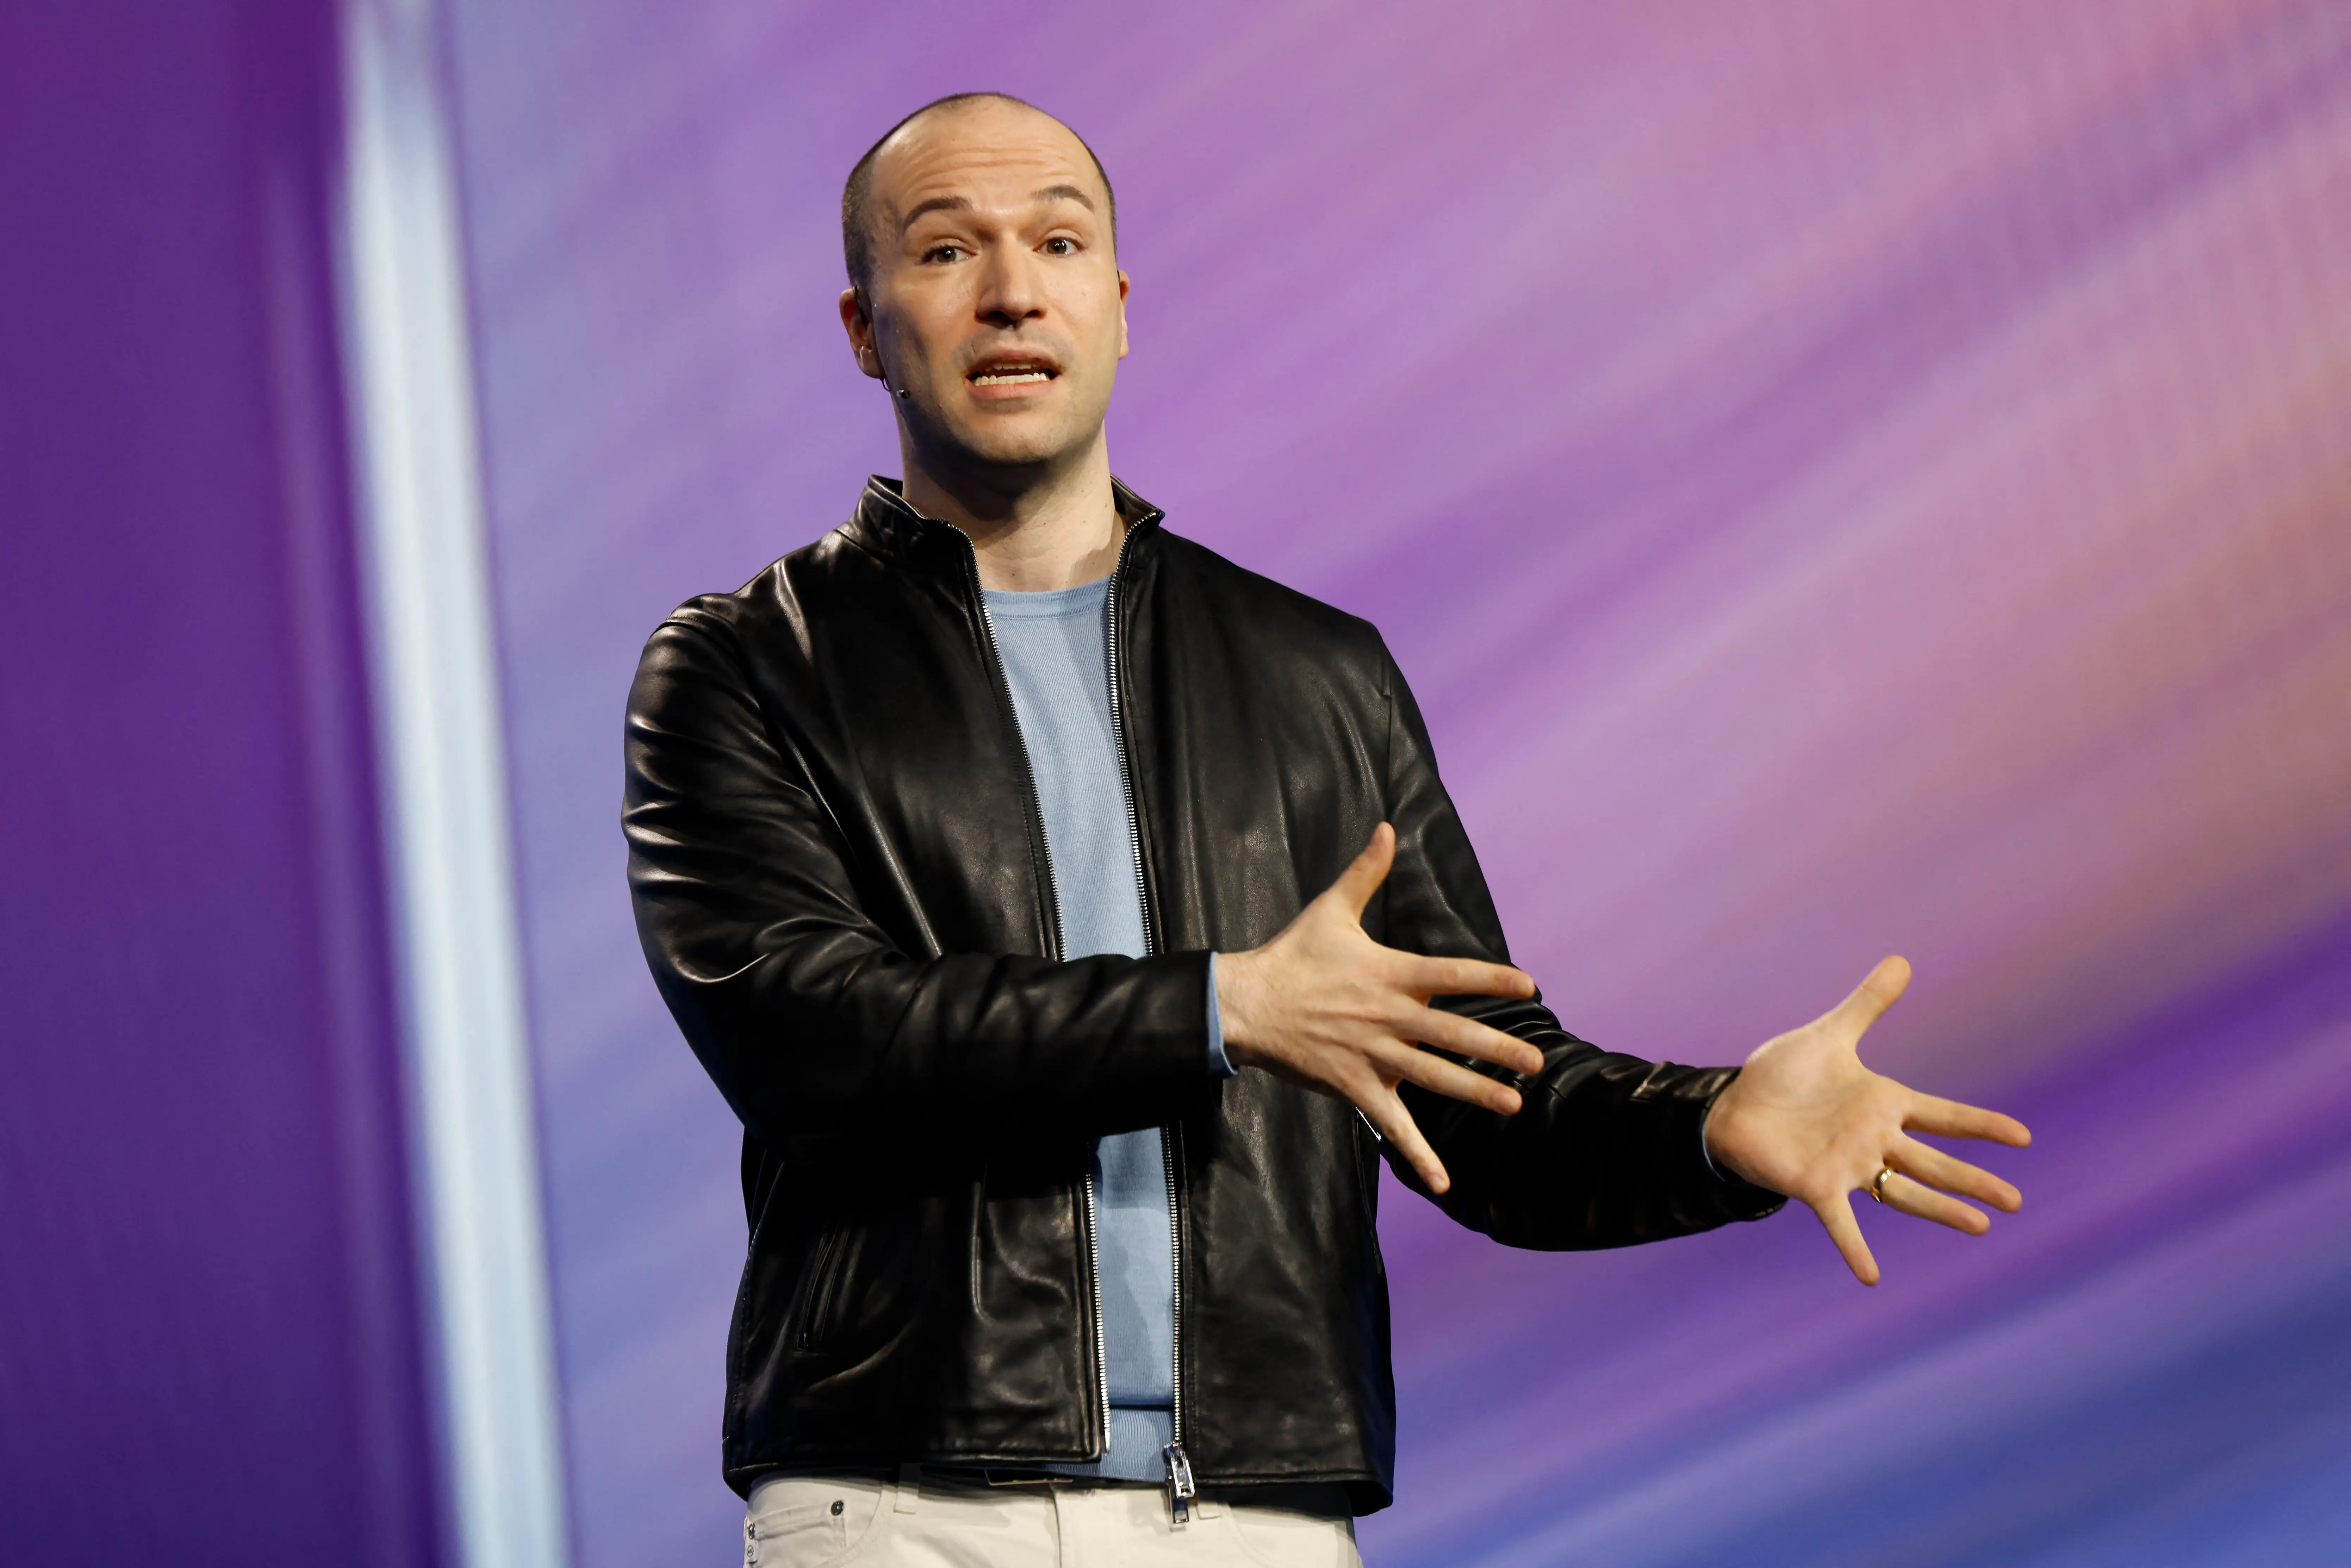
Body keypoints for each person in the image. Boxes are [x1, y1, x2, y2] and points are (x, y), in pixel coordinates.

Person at [623, 92, 2031, 1567]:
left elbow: (1486, 1105)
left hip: (1262, 1514)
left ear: (1117, 305)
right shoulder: (743, 663)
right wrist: (1226, 1007)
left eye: (1058, 241)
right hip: (905, 1507)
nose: (1012, 288)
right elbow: (816, 1044)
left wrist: (1712, 1130)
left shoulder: (1314, 674)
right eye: (945, 251)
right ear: (863, 326)